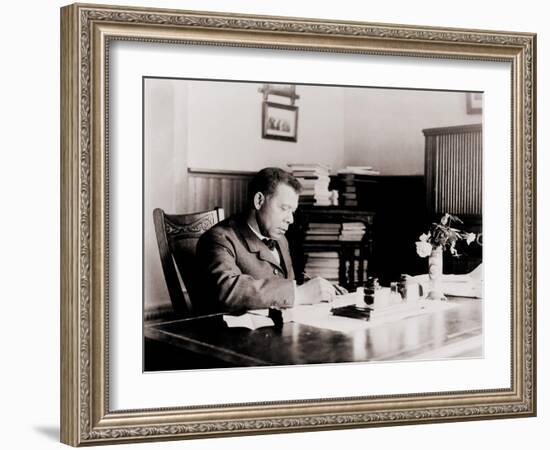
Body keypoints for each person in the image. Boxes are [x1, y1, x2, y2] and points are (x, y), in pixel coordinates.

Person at [196, 167, 339, 313]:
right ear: (259, 201)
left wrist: (320, 289)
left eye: (292, 211)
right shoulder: (219, 238)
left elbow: (285, 283)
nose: (290, 219)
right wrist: (299, 293)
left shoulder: (280, 239)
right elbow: (227, 290)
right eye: (284, 208)